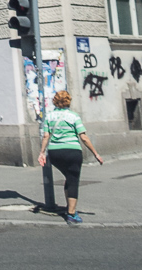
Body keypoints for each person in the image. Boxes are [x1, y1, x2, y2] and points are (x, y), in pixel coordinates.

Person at [38, 91, 103, 226]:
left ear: (55, 101)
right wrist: (96, 153)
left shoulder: (49, 117)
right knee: (73, 180)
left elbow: (46, 136)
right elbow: (83, 137)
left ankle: (69, 208)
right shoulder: (74, 116)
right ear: (68, 101)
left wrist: (42, 152)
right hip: (72, 152)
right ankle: (72, 215)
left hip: (55, 153)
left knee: (68, 178)